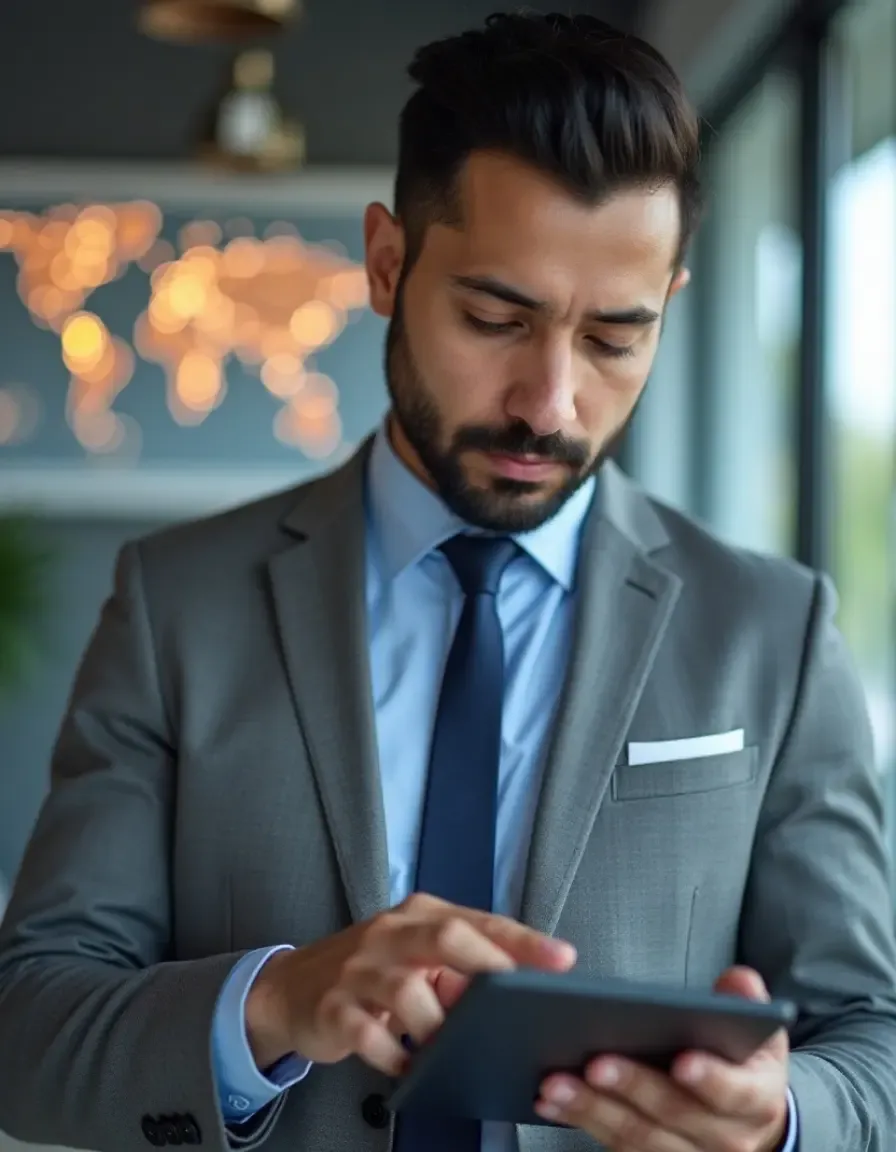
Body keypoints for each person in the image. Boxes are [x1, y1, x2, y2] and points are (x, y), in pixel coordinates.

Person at [1, 10, 895, 1152]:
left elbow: (871, 1043)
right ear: (387, 264)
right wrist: (273, 1003)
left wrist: (780, 1118)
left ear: (668, 305)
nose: (548, 404)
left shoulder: (774, 632)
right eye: (493, 318)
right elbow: (28, 1030)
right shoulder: (176, 604)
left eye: (613, 339)